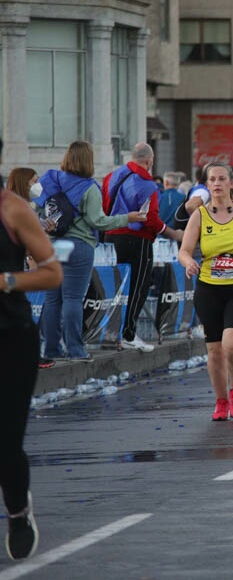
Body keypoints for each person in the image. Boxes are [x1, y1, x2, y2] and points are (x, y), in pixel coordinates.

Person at [0, 145, 63, 561]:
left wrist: (6, 281)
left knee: (5, 442)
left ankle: (18, 512)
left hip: (11, 336)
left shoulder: (12, 209)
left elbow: (52, 272)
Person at [37, 142, 146, 366]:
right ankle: (75, 349)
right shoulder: (89, 188)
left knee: (52, 299)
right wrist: (128, 218)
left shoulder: (49, 179)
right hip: (78, 246)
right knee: (73, 299)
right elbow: (98, 221)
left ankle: (51, 348)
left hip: (51, 246)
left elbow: (35, 208)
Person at [177, 163, 233, 421]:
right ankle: (221, 401)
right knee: (214, 350)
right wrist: (188, 262)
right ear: (207, 185)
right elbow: (184, 250)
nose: (217, 183)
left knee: (231, 346)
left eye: (222, 179)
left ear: (230, 184)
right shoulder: (200, 216)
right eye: (212, 179)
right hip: (208, 289)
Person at [103, 143, 184, 352]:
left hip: (111, 235)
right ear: (150, 160)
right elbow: (151, 218)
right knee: (138, 286)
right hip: (137, 238)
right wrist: (171, 232)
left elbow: (104, 206)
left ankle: (110, 333)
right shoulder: (148, 184)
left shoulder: (112, 176)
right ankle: (128, 333)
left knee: (116, 287)